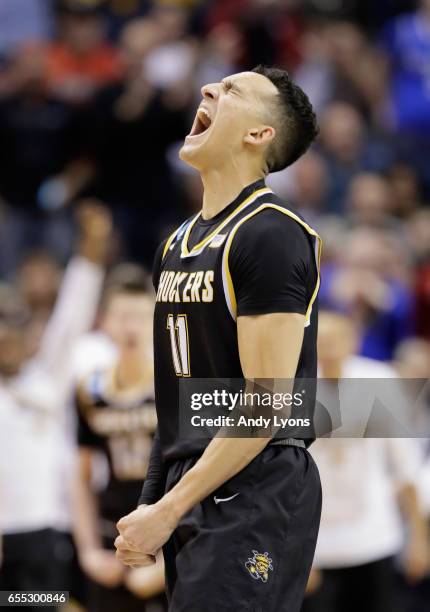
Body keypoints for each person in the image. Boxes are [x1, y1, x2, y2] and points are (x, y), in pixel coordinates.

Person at [115, 65, 322, 612]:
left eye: (232, 90)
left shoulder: (272, 233)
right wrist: (150, 507)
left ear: (259, 135)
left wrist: (166, 509)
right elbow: (176, 404)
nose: (208, 89)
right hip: (195, 480)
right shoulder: (175, 244)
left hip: (259, 480)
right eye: (214, 84)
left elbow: (268, 403)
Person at [0, 203, 111, 609]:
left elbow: (72, 316)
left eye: (14, 332)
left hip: (44, 532)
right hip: (4, 534)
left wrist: (91, 250)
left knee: (44, 603)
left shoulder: (46, 379)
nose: (7, 341)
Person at [302, 311, 429, 612]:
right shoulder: (296, 386)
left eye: (337, 340)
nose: (330, 349)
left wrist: (418, 538)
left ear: (353, 341)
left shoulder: (380, 380)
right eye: (323, 341)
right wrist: (293, 550)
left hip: (375, 536)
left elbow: (406, 465)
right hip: (317, 543)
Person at [73, 266, 166, 612]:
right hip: (111, 535)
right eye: (123, 316)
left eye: (141, 316)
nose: (131, 327)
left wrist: (169, 563)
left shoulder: (174, 386)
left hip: (167, 534)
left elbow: (199, 474)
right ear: (105, 322)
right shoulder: (89, 390)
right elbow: (80, 476)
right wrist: (87, 552)